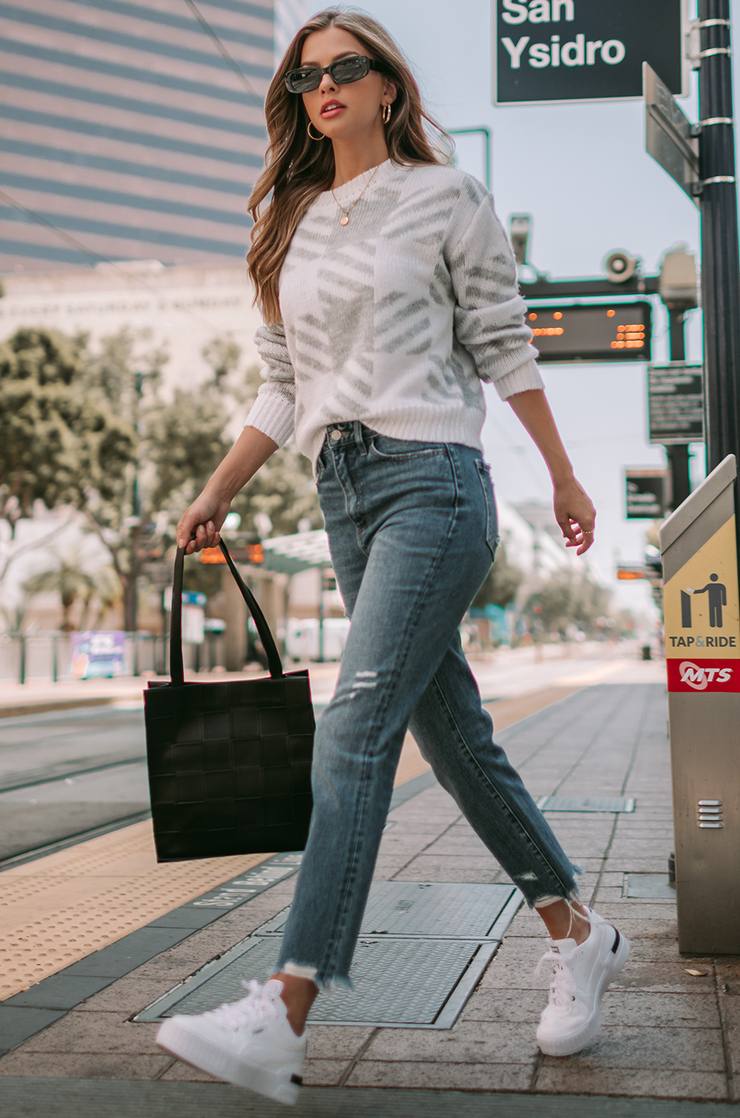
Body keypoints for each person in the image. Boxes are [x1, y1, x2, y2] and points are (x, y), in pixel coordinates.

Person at [156, 8, 629, 1105]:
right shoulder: (288, 222)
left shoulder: (443, 197)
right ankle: (576, 926)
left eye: (344, 69)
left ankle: (284, 1004)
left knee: (354, 728)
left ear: (386, 90)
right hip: (344, 494)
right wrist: (216, 491)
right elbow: (282, 381)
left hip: (433, 482)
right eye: (306, 75)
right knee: (449, 730)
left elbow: (501, 339)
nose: (323, 86)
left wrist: (560, 473)